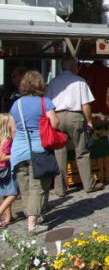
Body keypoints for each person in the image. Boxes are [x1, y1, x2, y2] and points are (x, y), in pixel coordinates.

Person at [9, 71, 59, 234]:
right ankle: (32, 224)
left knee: (25, 188)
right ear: (40, 84)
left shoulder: (16, 104)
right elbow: (55, 123)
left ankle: (31, 214)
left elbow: (13, 130)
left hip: (18, 152)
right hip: (39, 151)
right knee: (38, 187)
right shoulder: (45, 102)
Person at [46, 57, 104, 197]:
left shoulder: (53, 82)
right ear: (74, 67)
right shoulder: (79, 81)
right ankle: (88, 185)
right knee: (82, 151)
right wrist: (89, 121)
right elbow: (86, 105)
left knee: (60, 153)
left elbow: (48, 104)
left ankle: (60, 188)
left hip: (58, 116)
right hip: (75, 116)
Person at [0, 113, 17, 228]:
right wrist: (14, 155)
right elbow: (2, 157)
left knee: (6, 192)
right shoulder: (7, 139)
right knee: (13, 193)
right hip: (4, 168)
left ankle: (8, 217)